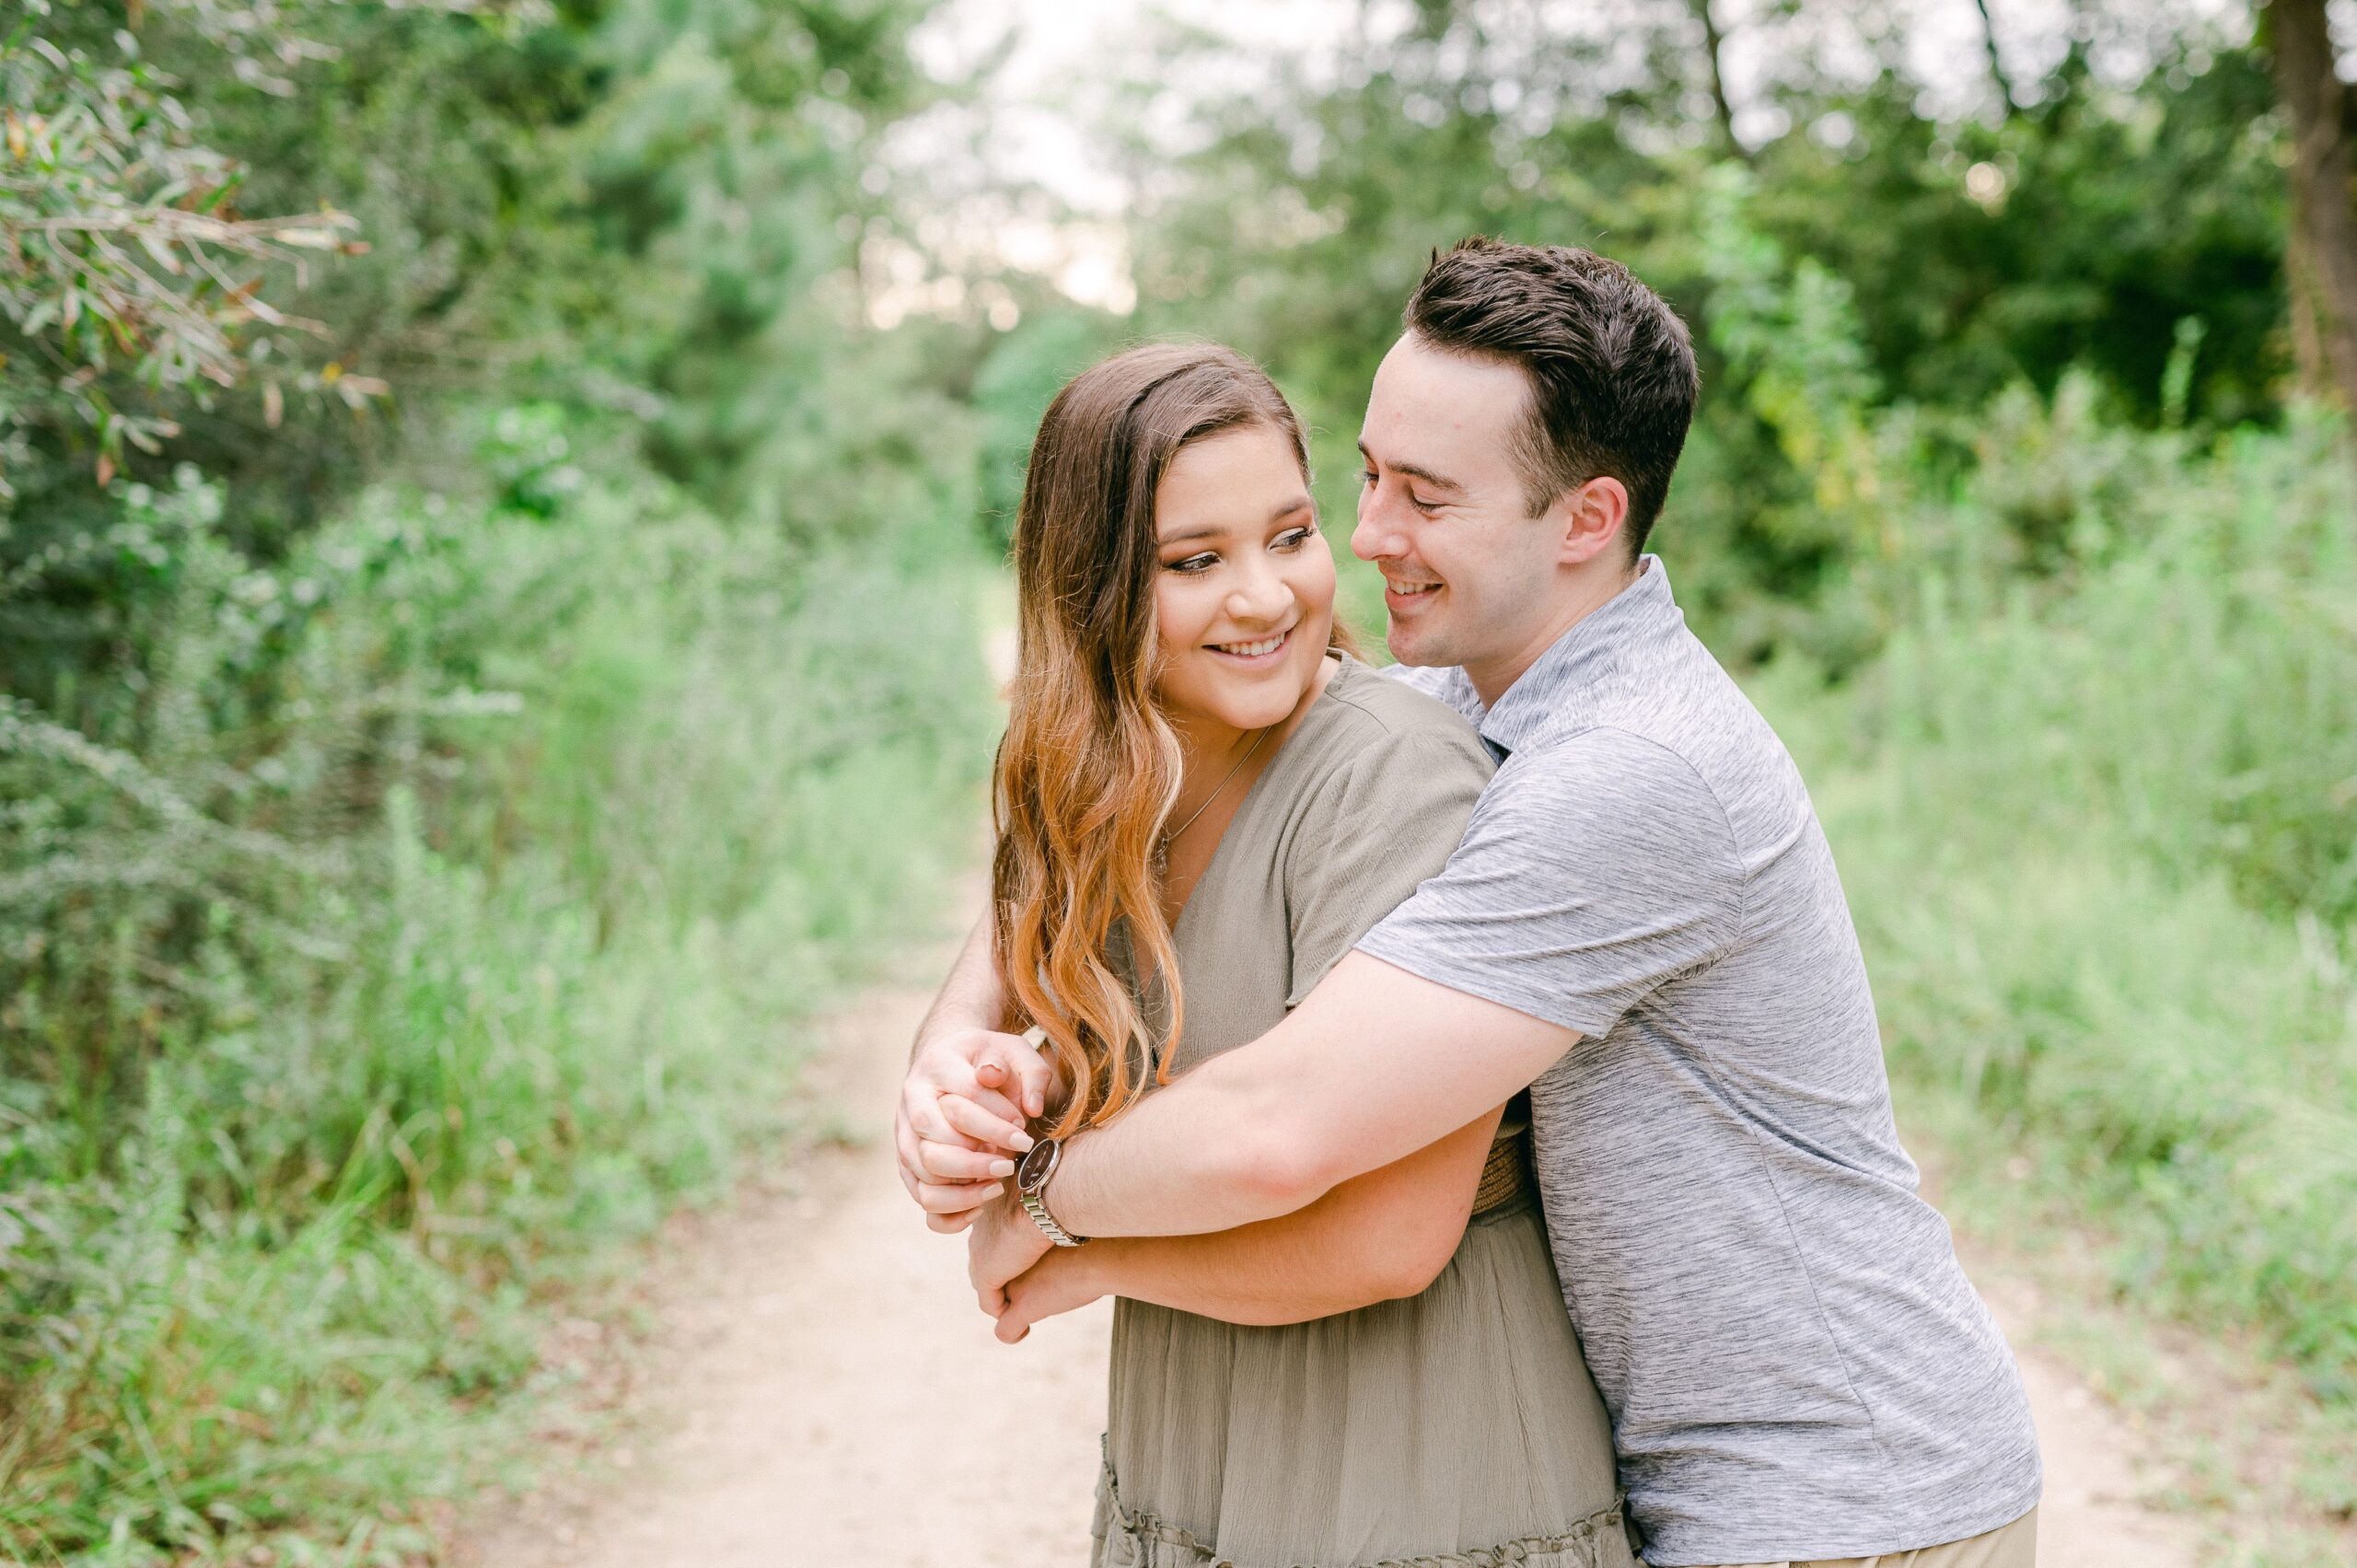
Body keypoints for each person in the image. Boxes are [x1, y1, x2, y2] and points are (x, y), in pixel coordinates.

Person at [901, 240, 2043, 1568]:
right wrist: (951, 1064)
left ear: (1585, 519)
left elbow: (1284, 1125)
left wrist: (1037, 1203)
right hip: (1707, 1482)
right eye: (1370, 478)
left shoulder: (1627, 773)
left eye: (1426, 498)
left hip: (1842, 1500)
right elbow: (1110, 820)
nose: (1370, 533)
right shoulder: (1467, 697)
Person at [927, 339, 1638, 1567]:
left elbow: (1390, 1239)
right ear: (1087, 587)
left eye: (1291, 536)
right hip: (1198, 1455)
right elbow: (1006, 957)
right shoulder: (1105, 785)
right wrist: (955, 1087)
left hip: (1417, 1475)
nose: (1263, 596)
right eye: (1194, 562)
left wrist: (1057, 1232)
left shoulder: (1393, 779)